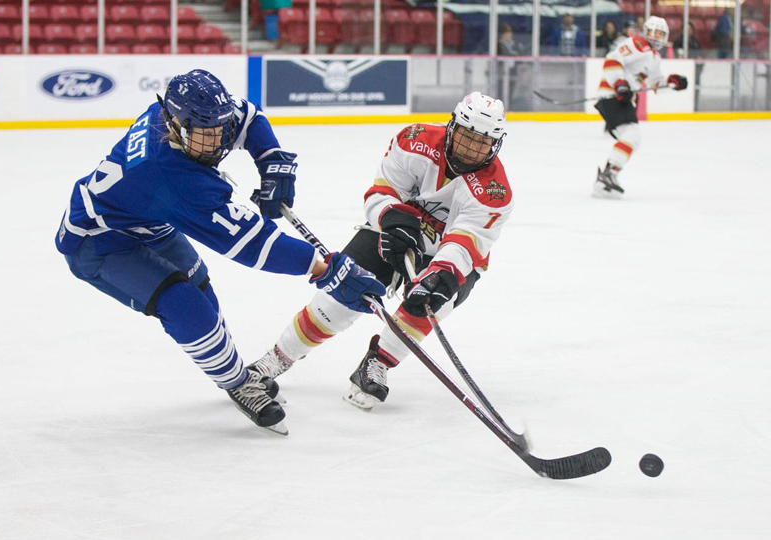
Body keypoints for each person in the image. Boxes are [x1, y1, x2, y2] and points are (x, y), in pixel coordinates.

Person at [54, 69, 385, 435]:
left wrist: (271, 161)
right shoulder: (169, 174)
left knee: (201, 290)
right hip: (98, 241)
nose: (215, 143)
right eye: (204, 134)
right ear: (176, 125)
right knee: (184, 304)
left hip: (146, 220)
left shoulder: (179, 117)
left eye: (218, 130)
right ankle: (237, 383)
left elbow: (250, 117)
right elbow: (250, 243)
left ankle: (231, 370)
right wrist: (323, 269)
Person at [247, 92, 512, 411]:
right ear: (452, 127)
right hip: (394, 229)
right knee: (342, 293)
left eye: (482, 143)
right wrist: (392, 218)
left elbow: (466, 241)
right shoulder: (415, 140)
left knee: (431, 304)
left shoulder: (495, 191)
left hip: (449, 254)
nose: (471, 149)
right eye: (467, 137)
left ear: (495, 145)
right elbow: (380, 192)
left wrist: (441, 273)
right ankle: (276, 359)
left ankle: (378, 363)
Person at [593, 16, 688, 198]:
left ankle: (608, 174)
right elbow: (612, 60)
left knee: (633, 139)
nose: (657, 37)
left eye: (661, 34)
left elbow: (655, 82)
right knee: (632, 136)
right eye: (654, 32)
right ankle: (608, 174)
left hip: (623, 98)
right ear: (646, 31)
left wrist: (672, 82)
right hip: (612, 94)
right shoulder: (636, 44)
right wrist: (619, 84)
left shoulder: (654, 57)